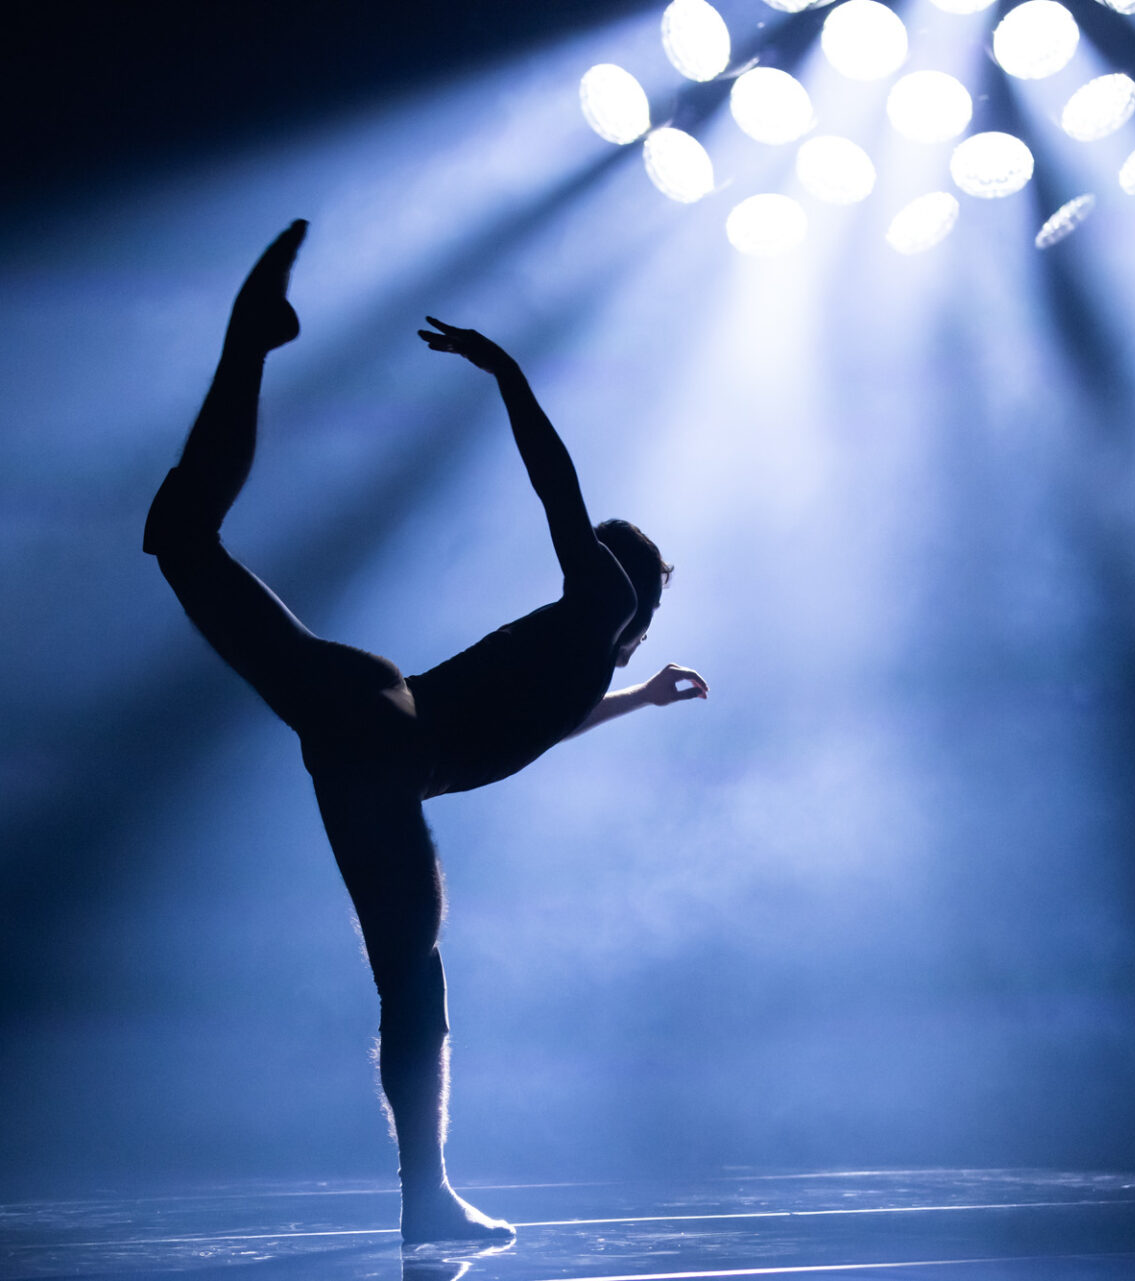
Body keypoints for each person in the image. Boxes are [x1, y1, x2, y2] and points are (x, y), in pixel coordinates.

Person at [143, 220, 707, 1244]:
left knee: (181, 542)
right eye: (651, 609)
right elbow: (557, 490)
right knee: (415, 973)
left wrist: (643, 701)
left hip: (378, 749)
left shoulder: (581, 656)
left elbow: (561, 719)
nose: (648, 625)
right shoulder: (602, 596)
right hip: (389, 731)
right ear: (636, 592)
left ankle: (426, 1200)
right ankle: (425, 1197)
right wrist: (508, 377)